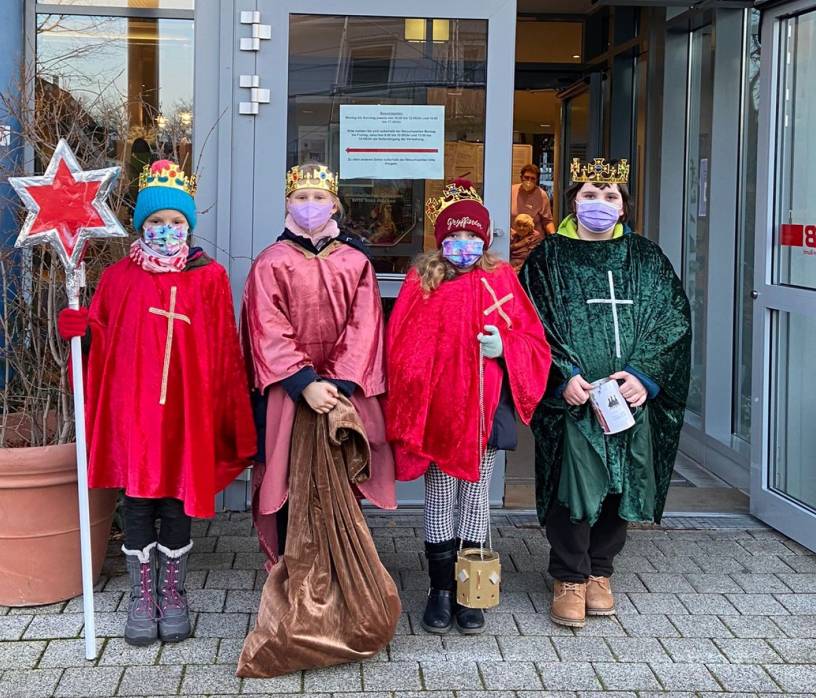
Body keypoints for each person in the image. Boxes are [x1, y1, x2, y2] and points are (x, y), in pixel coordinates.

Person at [57, 159, 257, 646]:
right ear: (140, 225)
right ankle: (141, 598)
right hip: (137, 414)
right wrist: (79, 334)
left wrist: (223, 414)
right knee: (140, 499)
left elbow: (223, 353)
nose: (166, 231)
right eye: (156, 222)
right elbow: (101, 346)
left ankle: (174, 593)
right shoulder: (118, 279)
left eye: (176, 223)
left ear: (188, 226)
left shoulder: (207, 279)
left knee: (176, 500)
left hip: (185, 414)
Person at [237, 162, 399, 676]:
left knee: (340, 484)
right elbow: (265, 326)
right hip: (291, 395)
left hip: (342, 396)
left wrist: (341, 385)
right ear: (288, 204)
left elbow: (366, 323)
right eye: (300, 195)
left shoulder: (356, 262)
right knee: (287, 484)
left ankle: (340, 582)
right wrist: (305, 382)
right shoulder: (270, 262)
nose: (309, 204)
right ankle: (295, 587)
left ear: (334, 205)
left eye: (318, 196)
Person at [520, 157, 691, 629]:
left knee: (622, 482)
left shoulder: (648, 258)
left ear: (624, 207)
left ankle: (601, 570)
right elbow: (531, 323)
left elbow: (673, 319)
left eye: (610, 195)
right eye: (590, 194)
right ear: (574, 200)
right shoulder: (547, 258)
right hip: (576, 397)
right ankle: (569, 575)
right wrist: (562, 376)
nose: (599, 203)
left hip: (628, 398)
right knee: (573, 483)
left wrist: (643, 375)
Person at [386, 179, 551, 635]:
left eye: (472, 237)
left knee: (475, 498)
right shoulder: (423, 280)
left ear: (487, 238)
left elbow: (532, 340)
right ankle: (439, 589)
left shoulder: (502, 278)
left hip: (484, 410)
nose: (464, 245)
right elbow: (402, 345)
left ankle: (470, 591)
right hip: (440, 412)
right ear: (441, 239)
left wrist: (505, 346)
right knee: (440, 498)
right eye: (455, 237)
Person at [511, 163, 555, 237]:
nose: (529, 181)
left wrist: (554, 238)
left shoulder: (542, 195)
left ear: (537, 180)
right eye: (526, 177)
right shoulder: (511, 191)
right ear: (521, 177)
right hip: (513, 238)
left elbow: (547, 221)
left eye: (533, 178)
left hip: (534, 239)